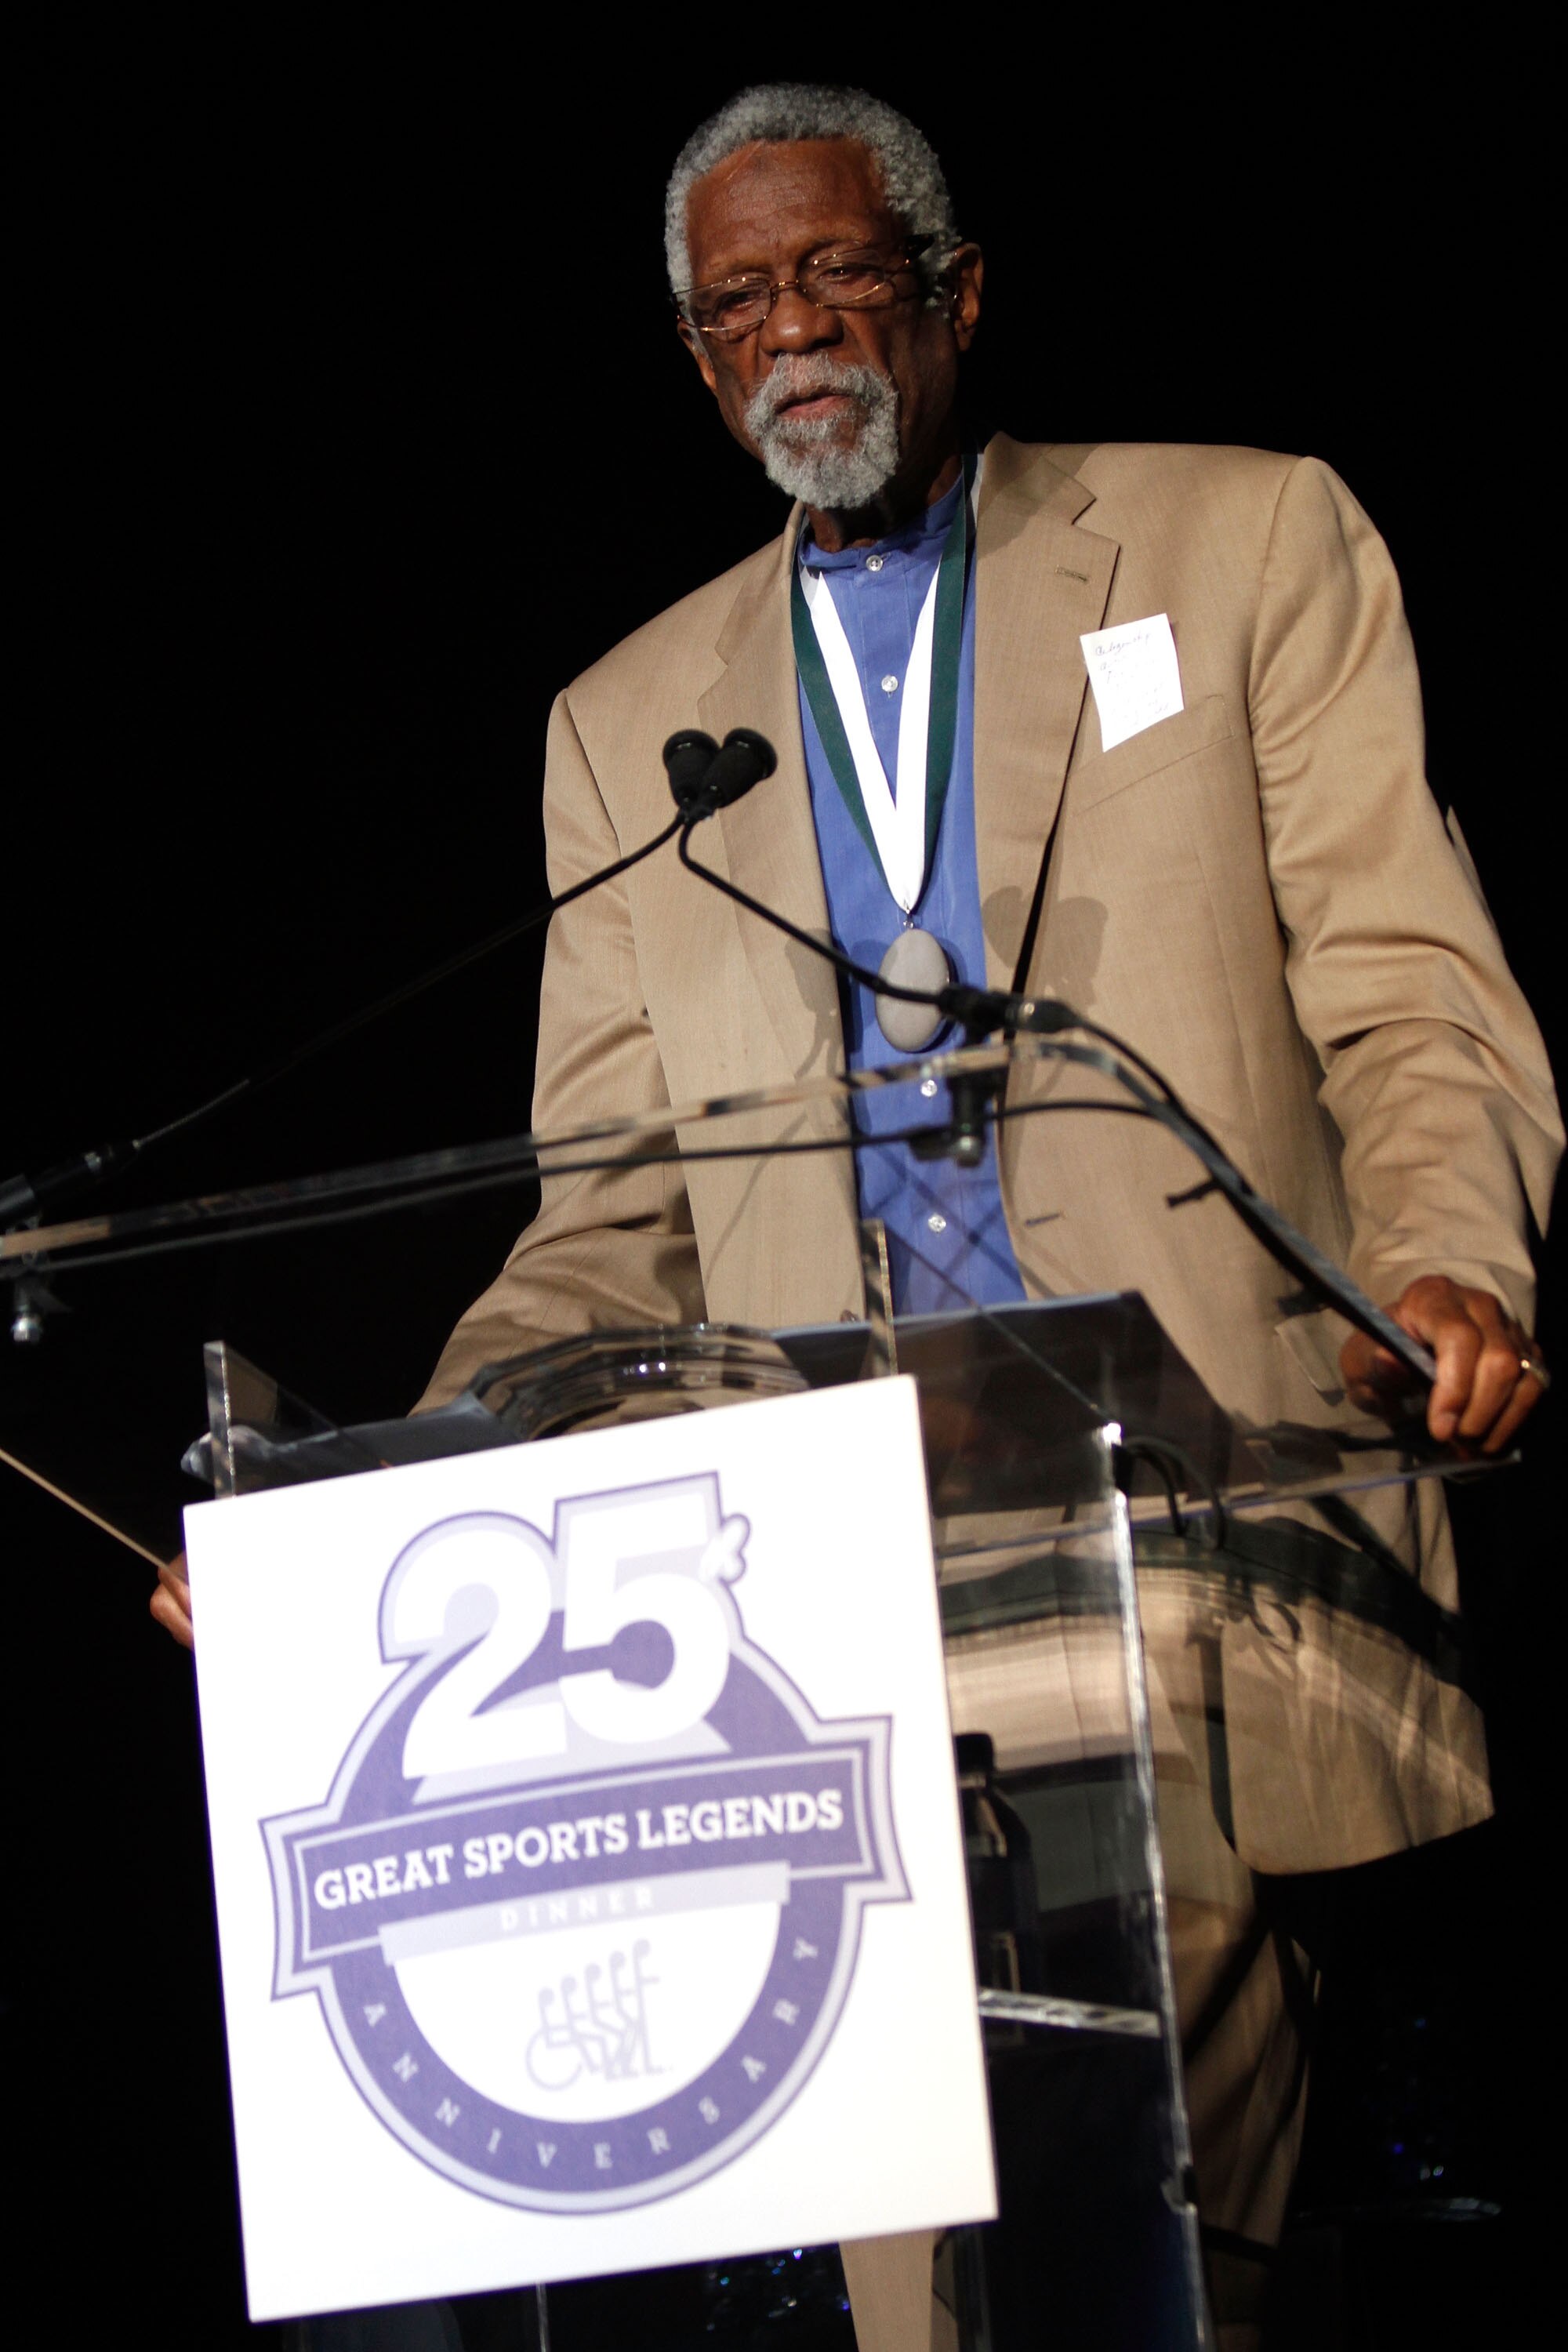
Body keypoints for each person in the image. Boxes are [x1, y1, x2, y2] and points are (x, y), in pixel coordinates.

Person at [155, 82, 1559, 2350]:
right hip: (815, 1600)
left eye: (834, 272)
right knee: (927, 2254)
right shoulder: (631, 725)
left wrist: (1448, 1259)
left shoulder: (1241, 541)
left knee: (1121, 2192)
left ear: (954, 293)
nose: (791, 329)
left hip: (1191, 1521)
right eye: (738, 303)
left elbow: (1405, 986)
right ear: (698, 360)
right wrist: (370, 1515)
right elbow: (608, 1229)